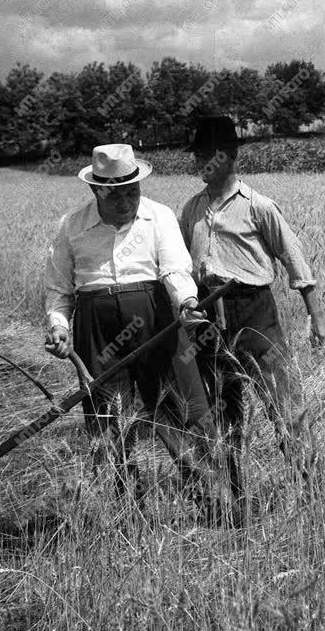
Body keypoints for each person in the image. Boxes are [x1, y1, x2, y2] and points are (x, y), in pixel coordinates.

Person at [179, 116, 325, 516]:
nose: (200, 161)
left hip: (254, 314)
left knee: (283, 406)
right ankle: (237, 499)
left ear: (227, 156)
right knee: (223, 413)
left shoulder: (258, 206)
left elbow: (294, 259)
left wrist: (317, 318)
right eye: (198, 154)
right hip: (208, 317)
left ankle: (311, 493)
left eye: (207, 154)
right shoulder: (191, 210)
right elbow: (179, 267)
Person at [44, 143, 208, 499]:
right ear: (95, 190)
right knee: (106, 414)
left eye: (132, 192)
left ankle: (208, 494)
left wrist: (188, 302)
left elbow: (176, 268)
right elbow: (59, 287)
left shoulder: (159, 216)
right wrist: (59, 325)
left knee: (176, 404)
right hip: (96, 324)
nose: (126, 202)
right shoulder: (72, 225)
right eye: (115, 195)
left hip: (154, 315)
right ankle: (125, 504)